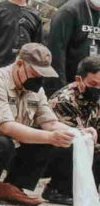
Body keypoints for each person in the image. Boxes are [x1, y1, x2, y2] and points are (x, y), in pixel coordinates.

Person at [0, 43, 91, 205]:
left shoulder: (36, 91)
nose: (39, 79)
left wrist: (78, 132)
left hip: (8, 149)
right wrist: (50, 136)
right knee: (2, 142)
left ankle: (12, 187)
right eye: (35, 73)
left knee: (51, 139)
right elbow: (6, 127)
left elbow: (51, 123)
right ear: (19, 64)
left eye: (43, 74)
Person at [43, 56, 100, 205]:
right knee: (73, 144)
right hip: (54, 153)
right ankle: (57, 189)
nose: (98, 89)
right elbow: (73, 137)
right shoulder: (64, 101)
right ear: (79, 79)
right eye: (93, 84)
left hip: (90, 148)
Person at [47, 0, 100, 97]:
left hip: (94, 86)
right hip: (70, 85)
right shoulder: (69, 12)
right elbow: (56, 53)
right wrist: (60, 90)